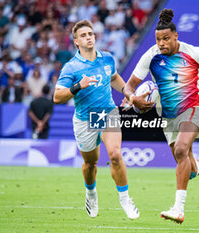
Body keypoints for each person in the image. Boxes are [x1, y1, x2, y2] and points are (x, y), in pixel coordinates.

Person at [123, 9, 199, 224]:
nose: (161, 43)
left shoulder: (194, 53)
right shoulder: (151, 56)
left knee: (181, 150)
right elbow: (129, 86)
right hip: (168, 114)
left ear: (175, 36)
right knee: (188, 168)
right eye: (158, 39)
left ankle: (178, 209)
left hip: (193, 107)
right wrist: (133, 99)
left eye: (166, 39)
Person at [53, 20, 139, 219]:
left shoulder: (107, 59)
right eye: (83, 35)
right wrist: (78, 86)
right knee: (91, 164)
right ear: (76, 42)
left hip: (108, 112)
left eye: (90, 33)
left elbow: (114, 77)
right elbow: (57, 97)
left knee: (115, 155)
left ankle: (125, 198)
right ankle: (91, 193)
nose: (88, 37)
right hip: (85, 119)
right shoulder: (71, 68)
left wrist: (127, 93)